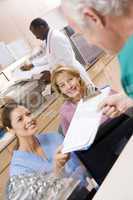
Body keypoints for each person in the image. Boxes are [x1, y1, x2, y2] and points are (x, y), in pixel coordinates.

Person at [51, 65, 133, 184]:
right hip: (101, 153)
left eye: (70, 79)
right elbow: (72, 143)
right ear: (60, 90)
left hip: (124, 137)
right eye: (62, 85)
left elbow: (127, 111)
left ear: (78, 78)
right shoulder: (65, 112)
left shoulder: (102, 92)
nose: (68, 86)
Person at [61, 0, 133, 118]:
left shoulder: (130, 62)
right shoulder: (125, 47)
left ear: (92, 17)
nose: (89, 42)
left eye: (83, 33)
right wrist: (125, 98)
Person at [0, 101, 85, 177]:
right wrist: (58, 168)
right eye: (20, 119)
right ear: (10, 129)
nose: (29, 119)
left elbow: (81, 165)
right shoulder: (18, 169)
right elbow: (44, 194)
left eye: (28, 114)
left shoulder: (55, 137)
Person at [29, 17, 95, 90]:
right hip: (69, 78)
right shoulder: (48, 39)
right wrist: (33, 64)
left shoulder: (56, 37)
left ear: (41, 27)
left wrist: (52, 74)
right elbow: (50, 57)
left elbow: (66, 60)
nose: (36, 37)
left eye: (35, 33)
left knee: (91, 95)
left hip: (75, 75)